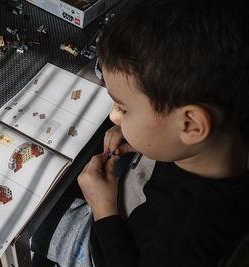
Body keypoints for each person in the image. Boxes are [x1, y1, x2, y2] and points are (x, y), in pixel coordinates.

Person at [31, 0, 249, 266]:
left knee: (34, 222)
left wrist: (104, 211)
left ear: (190, 125)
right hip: (123, 200)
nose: (114, 116)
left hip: (108, 241)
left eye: (123, 108)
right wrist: (143, 141)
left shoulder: (182, 240)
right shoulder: (222, 129)